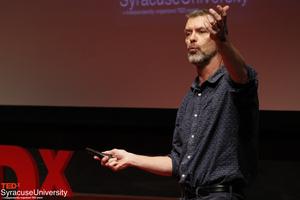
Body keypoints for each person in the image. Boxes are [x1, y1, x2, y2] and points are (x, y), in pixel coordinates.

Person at [95, 5, 259, 200]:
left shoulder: (232, 85)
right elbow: (177, 161)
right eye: (187, 33)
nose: (192, 38)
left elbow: (242, 76)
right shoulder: (189, 100)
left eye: (201, 31)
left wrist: (222, 40)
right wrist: (131, 158)